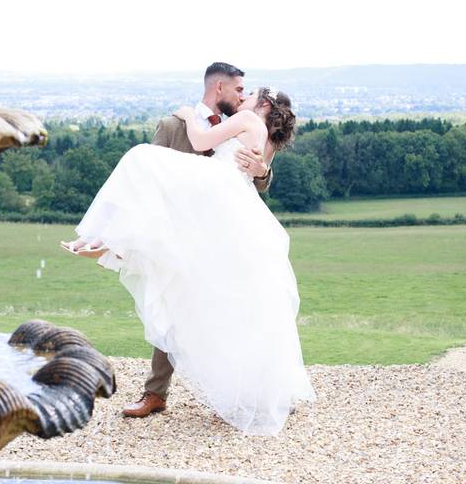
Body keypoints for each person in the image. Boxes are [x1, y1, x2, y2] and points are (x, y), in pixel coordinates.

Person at [61, 84, 314, 435]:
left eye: (250, 92)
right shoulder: (188, 126)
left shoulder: (236, 119)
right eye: (240, 89)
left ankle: (107, 242)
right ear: (218, 86)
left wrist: (258, 170)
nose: (243, 96)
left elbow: (212, 150)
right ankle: (112, 245)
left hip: (213, 210)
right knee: (190, 297)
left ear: (264, 104)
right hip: (204, 217)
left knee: (138, 159)